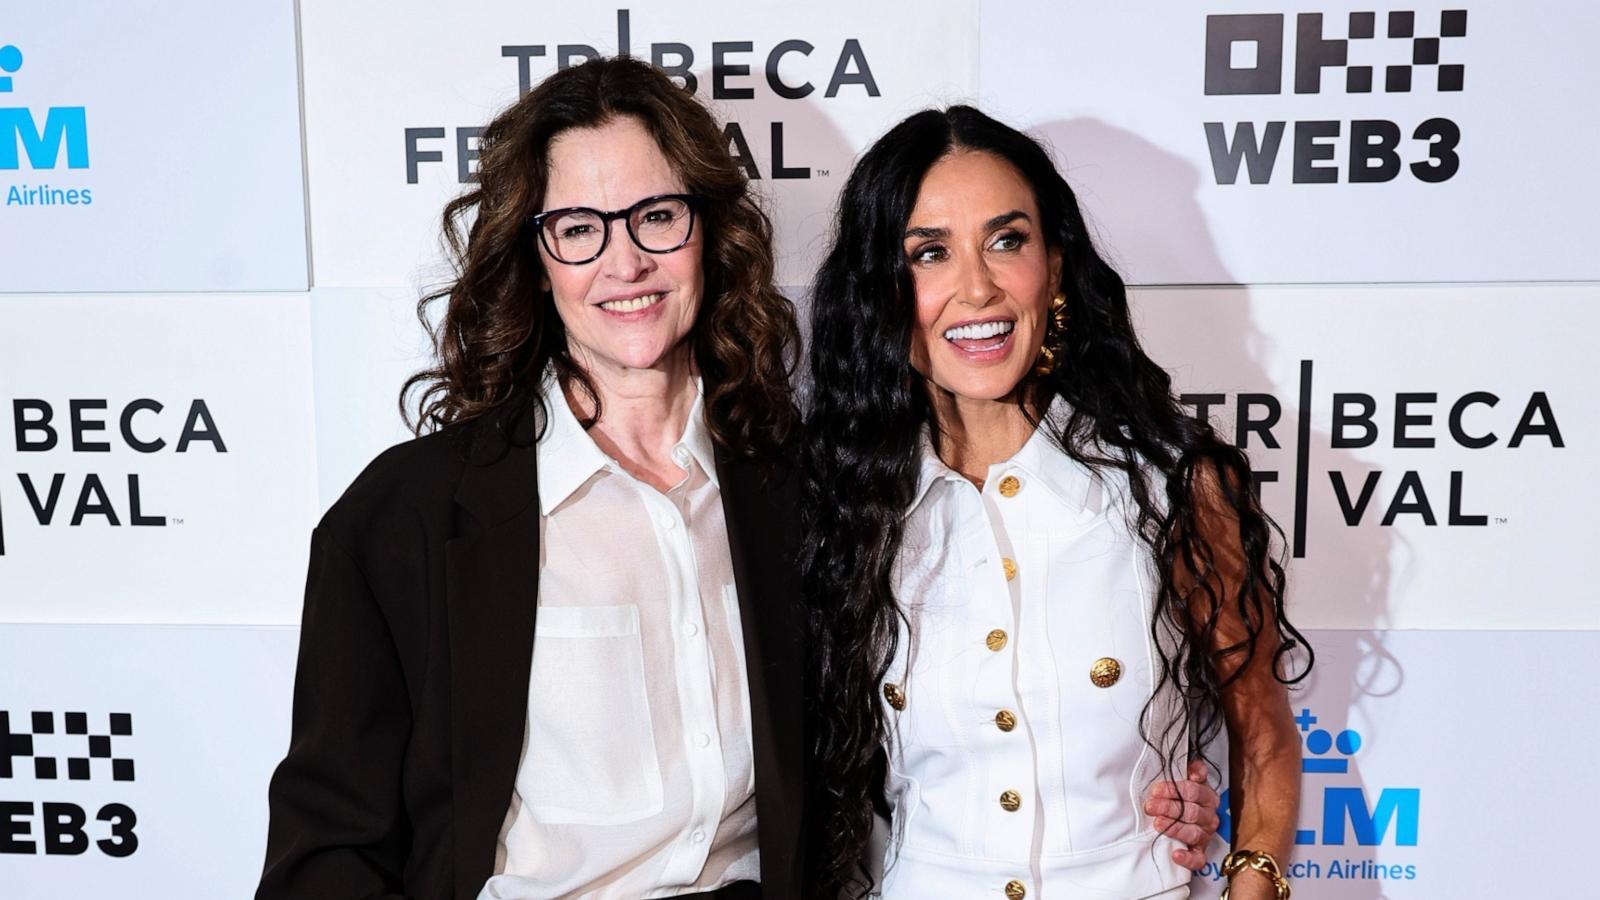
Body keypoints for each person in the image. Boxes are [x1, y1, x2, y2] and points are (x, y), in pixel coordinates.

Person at [256, 56, 807, 900]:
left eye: (656, 215)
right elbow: (327, 850)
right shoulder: (408, 517)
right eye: (580, 228)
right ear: (535, 256)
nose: (625, 264)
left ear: (709, 232)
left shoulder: (789, 490)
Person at [802, 106, 1312, 900]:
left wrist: (1252, 883)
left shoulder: (1171, 486)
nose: (977, 287)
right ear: (882, 293)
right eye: (930, 253)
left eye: (1007, 241)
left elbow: (1262, 725)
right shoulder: (838, 511)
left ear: (1057, 266)